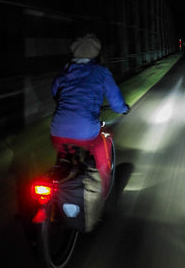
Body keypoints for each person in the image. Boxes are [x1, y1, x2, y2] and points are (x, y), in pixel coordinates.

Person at [50, 33, 129, 198]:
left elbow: (55, 92)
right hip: (86, 131)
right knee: (104, 137)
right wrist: (123, 109)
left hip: (57, 130)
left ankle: (60, 181)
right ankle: (105, 192)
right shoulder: (101, 72)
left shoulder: (65, 70)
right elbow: (115, 101)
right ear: (97, 53)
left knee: (65, 152)